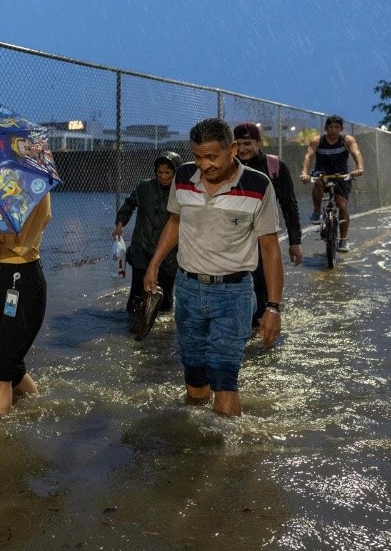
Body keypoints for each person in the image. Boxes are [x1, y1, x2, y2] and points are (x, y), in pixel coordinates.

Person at [144, 118, 284, 416]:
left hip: (233, 295)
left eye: (211, 157)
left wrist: (273, 307)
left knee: (224, 379)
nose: (203, 165)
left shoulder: (258, 186)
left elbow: (270, 248)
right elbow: (175, 221)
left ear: (231, 149)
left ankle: (227, 457)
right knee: (194, 380)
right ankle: (196, 448)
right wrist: (153, 264)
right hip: (188, 289)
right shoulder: (182, 177)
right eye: (197, 156)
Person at [0, 192, 51, 417]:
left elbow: (23, 241)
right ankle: (40, 408)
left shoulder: (34, 185)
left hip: (22, 278)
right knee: (10, 366)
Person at [232, 123, 303, 329]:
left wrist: (295, 242)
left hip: (263, 237)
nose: (242, 149)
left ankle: (260, 325)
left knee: (260, 282)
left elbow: (289, 205)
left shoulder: (275, 167)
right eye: (238, 144)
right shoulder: (229, 166)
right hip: (235, 237)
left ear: (259, 143)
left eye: (248, 143)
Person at [113, 152, 180, 334]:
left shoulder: (181, 192)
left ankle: (162, 333)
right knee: (137, 291)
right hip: (142, 247)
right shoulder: (144, 188)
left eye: (168, 173)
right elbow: (128, 206)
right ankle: (133, 327)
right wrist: (120, 224)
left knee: (164, 296)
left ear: (176, 173)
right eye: (160, 173)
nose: (164, 177)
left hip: (168, 253)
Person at [299, 115, 365, 253]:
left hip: (341, 174)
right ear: (325, 128)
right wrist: (304, 173)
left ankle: (343, 240)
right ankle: (317, 212)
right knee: (318, 182)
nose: (333, 130)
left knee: (342, 205)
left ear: (341, 129)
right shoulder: (318, 140)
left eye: (336, 127)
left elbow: (356, 152)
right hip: (322, 173)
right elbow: (308, 156)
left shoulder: (347, 140)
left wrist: (359, 168)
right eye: (330, 127)